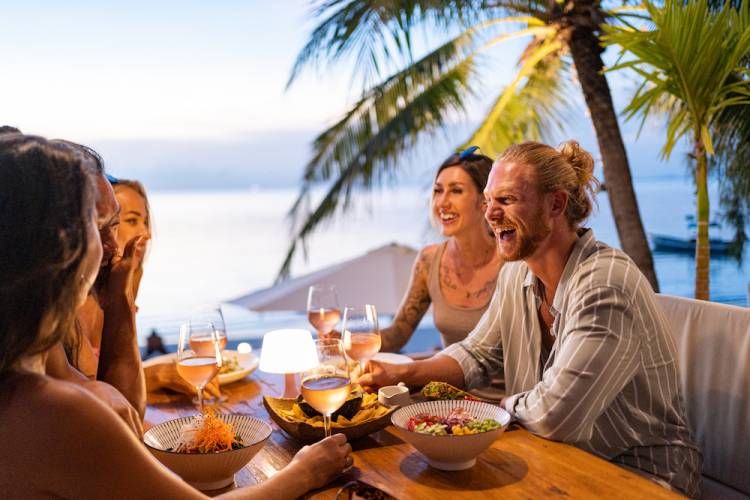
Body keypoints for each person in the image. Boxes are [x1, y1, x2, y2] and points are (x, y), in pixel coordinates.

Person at [0, 135, 352, 498]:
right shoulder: (52, 409)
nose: (114, 246)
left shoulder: (31, 364)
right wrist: (305, 472)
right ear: (61, 241)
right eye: (98, 222)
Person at [360, 140, 702, 497]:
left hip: (642, 476)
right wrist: (404, 374)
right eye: (489, 201)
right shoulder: (517, 274)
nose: (491, 215)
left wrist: (496, 408)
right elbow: (477, 353)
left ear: (555, 204)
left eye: (506, 200)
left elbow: (557, 416)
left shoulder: (605, 284)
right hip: (559, 463)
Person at [379, 147, 502, 352]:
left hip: (515, 385)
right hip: (449, 383)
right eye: (438, 191)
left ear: (484, 201)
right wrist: (346, 339)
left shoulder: (514, 260)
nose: (442, 203)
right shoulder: (429, 260)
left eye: (456, 190)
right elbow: (398, 334)